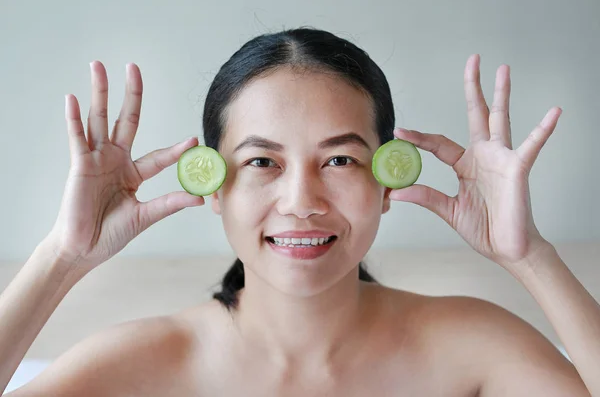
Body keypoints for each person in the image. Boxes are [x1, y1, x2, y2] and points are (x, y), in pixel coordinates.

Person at [0, 27, 597, 396]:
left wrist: (530, 258)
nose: (302, 203)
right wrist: (61, 259)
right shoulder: (144, 364)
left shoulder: (471, 343)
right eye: (262, 162)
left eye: (339, 161)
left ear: (387, 181)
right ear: (213, 185)